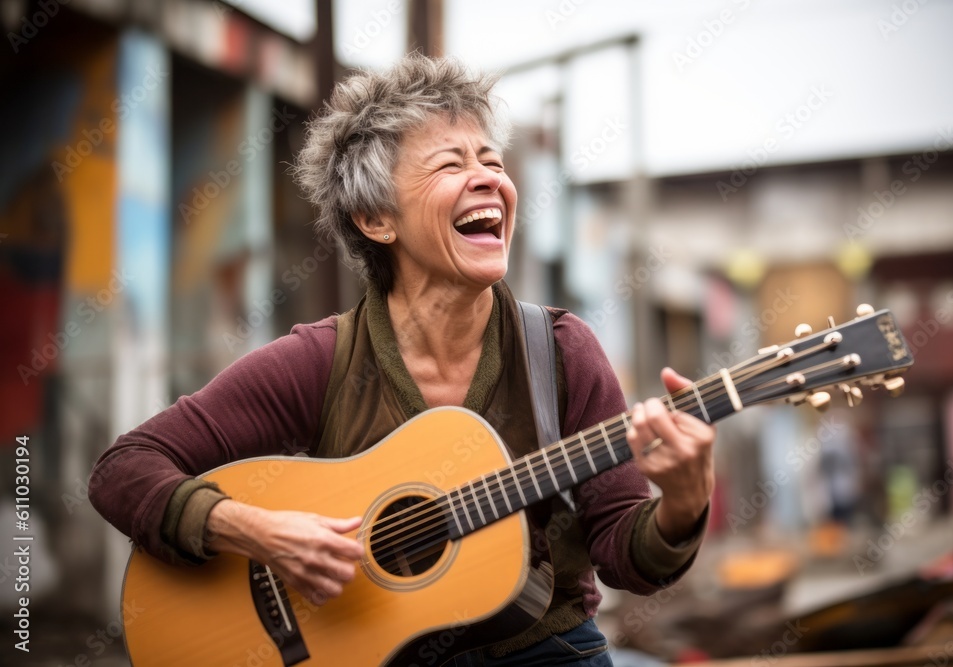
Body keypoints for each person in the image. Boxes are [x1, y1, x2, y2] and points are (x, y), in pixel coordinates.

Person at [88, 55, 716, 666]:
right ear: (376, 218)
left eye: (492, 161)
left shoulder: (560, 353)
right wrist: (257, 531)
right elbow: (123, 469)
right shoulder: (319, 362)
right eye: (451, 163)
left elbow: (625, 557)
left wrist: (682, 506)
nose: (488, 178)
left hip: (544, 652)